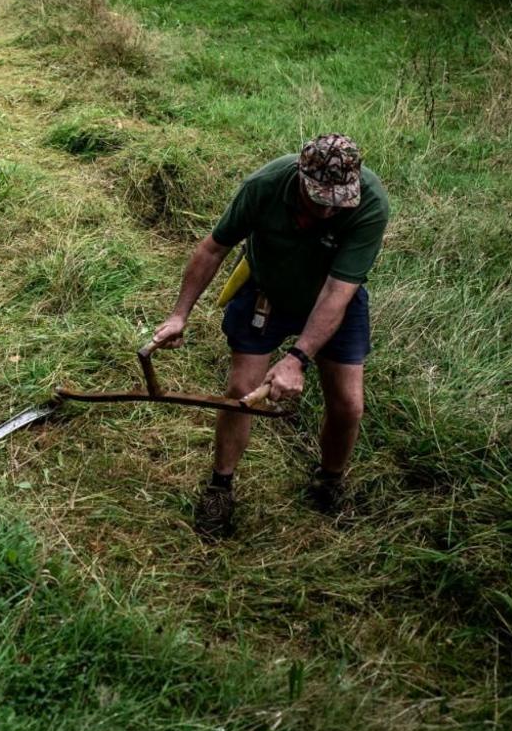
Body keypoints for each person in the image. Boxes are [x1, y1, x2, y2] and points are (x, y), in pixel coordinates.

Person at [150, 133, 390, 540]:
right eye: (320, 200)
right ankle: (220, 488)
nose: (330, 211)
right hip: (265, 290)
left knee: (349, 404)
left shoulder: (370, 204)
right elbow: (213, 249)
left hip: (333, 300)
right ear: (300, 179)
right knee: (241, 390)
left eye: (339, 202)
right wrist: (179, 315)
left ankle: (329, 482)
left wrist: (297, 358)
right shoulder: (263, 186)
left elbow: (338, 293)